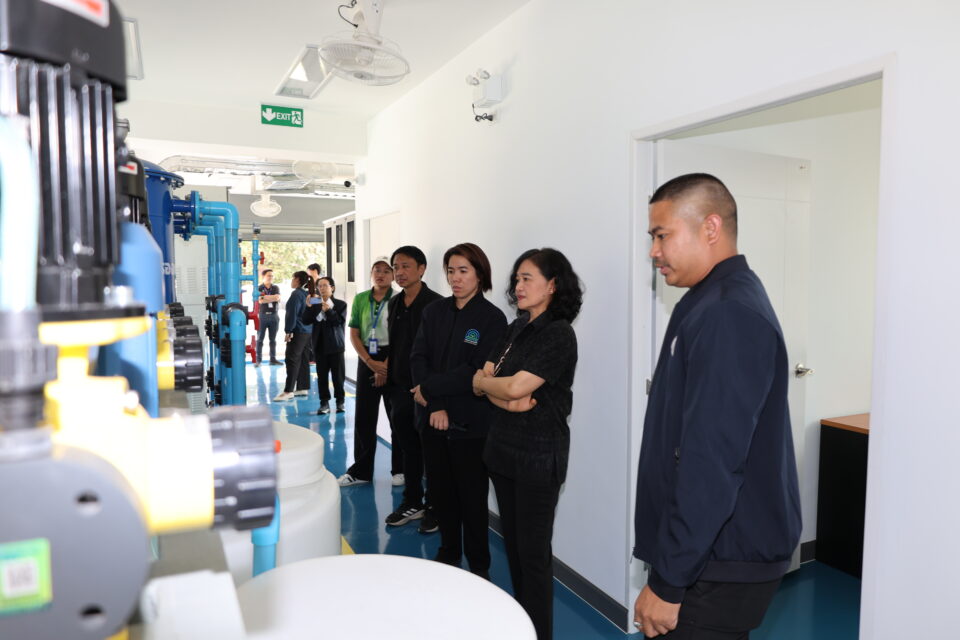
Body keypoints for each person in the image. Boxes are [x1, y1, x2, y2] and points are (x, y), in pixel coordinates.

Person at [631, 173, 801, 639]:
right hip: (705, 551)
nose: (653, 252)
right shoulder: (705, 301)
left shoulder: (728, 312)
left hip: (720, 559)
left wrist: (669, 581)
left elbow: (712, 461)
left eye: (661, 235)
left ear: (710, 228)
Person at [472, 248, 581, 640]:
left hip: (537, 458)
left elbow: (517, 386)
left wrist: (496, 388)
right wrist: (500, 395)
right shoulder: (515, 327)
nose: (518, 285)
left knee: (533, 557)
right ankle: (523, 629)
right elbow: (483, 379)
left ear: (552, 285)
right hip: (502, 451)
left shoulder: (558, 334)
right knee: (515, 551)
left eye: (527, 278)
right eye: (517, 278)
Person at [410, 243, 506, 578]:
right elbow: (418, 358)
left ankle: (479, 568)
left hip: (472, 425)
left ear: (480, 274)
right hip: (432, 420)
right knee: (441, 494)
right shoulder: (434, 312)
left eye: (463, 271)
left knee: (472, 500)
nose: (456, 278)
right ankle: (448, 555)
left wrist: (429, 390)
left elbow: (475, 372)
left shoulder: (492, 319)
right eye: (451, 271)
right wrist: (435, 404)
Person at [382, 246, 443, 532]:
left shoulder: (437, 305)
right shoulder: (394, 303)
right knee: (407, 447)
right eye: (396, 267)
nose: (399, 272)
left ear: (422, 269)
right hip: (399, 389)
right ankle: (412, 501)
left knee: (432, 451)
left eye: (406, 266)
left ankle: (435, 506)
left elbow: (440, 353)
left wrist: (430, 388)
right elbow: (394, 346)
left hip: (426, 391)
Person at [338, 257, 403, 486]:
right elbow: (354, 333)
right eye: (377, 270)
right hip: (366, 356)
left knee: (397, 416)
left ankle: (400, 470)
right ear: (371, 274)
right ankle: (361, 472)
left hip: (393, 357)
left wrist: (384, 366)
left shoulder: (399, 299)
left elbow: (401, 336)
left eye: (386, 271)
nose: (381, 274)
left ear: (393, 275)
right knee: (364, 417)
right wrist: (369, 361)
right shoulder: (360, 298)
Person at [302, 276, 348, 415]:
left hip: (336, 345)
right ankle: (324, 403)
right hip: (319, 345)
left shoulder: (340, 304)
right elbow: (305, 320)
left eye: (324, 285)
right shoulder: (315, 303)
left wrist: (329, 310)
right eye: (319, 286)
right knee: (322, 377)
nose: (321, 288)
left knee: (338, 377)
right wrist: (308, 307)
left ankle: (340, 401)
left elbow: (338, 322)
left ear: (332, 288)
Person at [273, 271, 313, 402]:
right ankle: (302, 387)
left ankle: (288, 391)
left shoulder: (296, 294)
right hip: (308, 331)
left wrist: (288, 331)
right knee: (303, 359)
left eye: (292, 278)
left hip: (298, 331)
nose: (291, 281)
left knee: (292, 359)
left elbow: (292, 314)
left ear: (297, 280)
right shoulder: (309, 294)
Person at [256, 269, 282, 366]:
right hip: (262, 316)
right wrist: (272, 298)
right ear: (263, 276)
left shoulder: (275, 287)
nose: (270, 277)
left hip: (274, 315)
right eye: (268, 275)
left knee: (273, 340)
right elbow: (260, 300)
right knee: (260, 339)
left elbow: (277, 298)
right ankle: (258, 360)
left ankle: (273, 359)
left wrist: (266, 298)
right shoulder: (259, 288)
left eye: (272, 275)